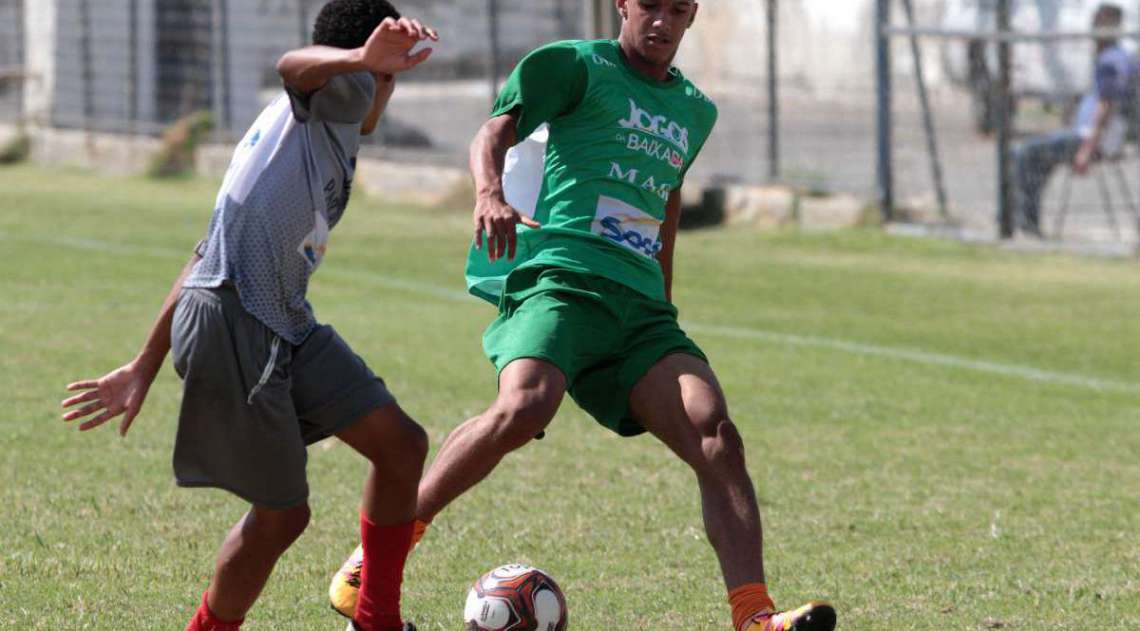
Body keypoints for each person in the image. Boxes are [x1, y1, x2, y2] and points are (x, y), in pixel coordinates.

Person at [329, 1, 836, 629]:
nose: (662, 21)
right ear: (622, 3)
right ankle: (372, 568)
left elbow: (667, 199)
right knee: (522, 409)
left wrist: (663, 298)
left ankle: (754, 616)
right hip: (561, 280)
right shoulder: (573, 66)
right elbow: (493, 132)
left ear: (692, 16)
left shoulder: (695, 109)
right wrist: (489, 195)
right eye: (650, 5)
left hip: (640, 311)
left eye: (678, 10)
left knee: (717, 435)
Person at [59, 2, 438, 630]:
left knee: (401, 446)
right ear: (352, 74)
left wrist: (142, 367)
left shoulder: (318, 130)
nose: (386, 92)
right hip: (238, 322)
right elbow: (291, 64)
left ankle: (377, 621)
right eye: (386, 78)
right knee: (284, 515)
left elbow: (205, 252)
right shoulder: (315, 100)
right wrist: (361, 61)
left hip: (280, 319)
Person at [1012, 2, 1138, 237]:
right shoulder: (1111, 57)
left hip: (1089, 140)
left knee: (1024, 155)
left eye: (1099, 24)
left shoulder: (1111, 61)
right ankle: (1027, 218)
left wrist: (1087, 149)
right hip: (1087, 137)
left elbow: (1106, 107)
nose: (1093, 28)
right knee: (1037, 159)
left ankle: (1024, 221)